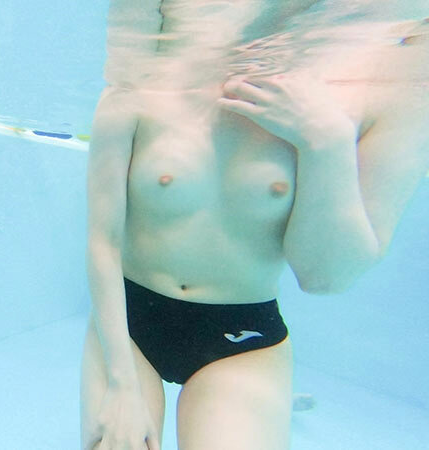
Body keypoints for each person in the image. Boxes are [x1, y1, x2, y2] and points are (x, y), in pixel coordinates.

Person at [80, 0, 429, 449]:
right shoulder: (154, 63)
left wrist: (326, 142)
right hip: (128, 324)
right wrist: (121, 385)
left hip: (244, 337)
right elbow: (102, 241)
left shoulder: (393, 83)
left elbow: (326, 277)